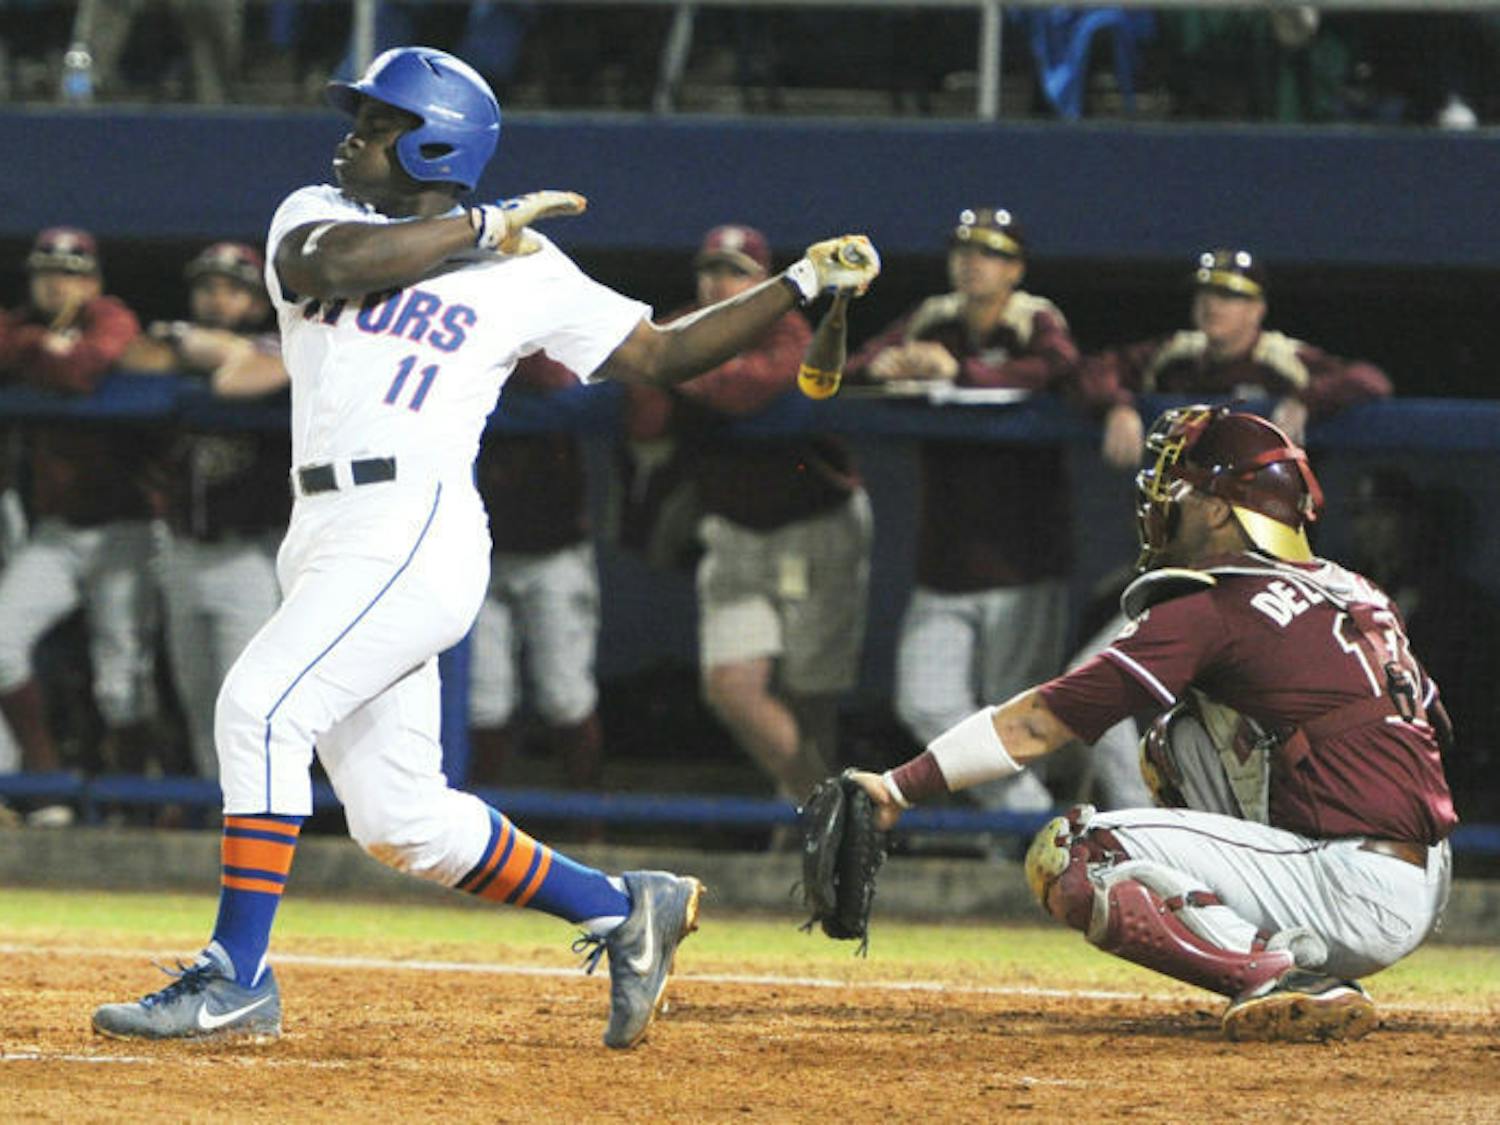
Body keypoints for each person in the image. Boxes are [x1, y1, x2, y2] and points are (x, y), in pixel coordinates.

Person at [90, 45, 880, 1048]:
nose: (354, 136)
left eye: (378, 125)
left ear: (430, 142)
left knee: (259, 708)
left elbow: (662, 353)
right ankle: (618, 905)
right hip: (320, 531)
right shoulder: (314, 213)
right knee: (398, 818)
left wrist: (799, 282)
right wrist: (481, 226)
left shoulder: (525, 269)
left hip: (411, 526)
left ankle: (237, 972)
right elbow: (317, 269)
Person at [848, 404, 1455, 1043]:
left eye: (1183, 487)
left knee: (1077, 851)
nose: (1163, 500)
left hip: (1349, 884)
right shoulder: (1356, 590)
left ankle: (1284, 975)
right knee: (1176, 743)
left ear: (1223, 509)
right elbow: (1434, 728)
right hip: (1418, 871)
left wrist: (896, 789)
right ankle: (1301, 949)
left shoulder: (1217, 601)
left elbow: (1038, 724)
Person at [847, 206, 1092, 818]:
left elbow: (1060, 369)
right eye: (964, 250)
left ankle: (1014, 836)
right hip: (947, 557)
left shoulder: (1034, 319)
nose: (972, 263)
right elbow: (856, 367)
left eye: (989, 252)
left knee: (1016, 710)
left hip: (1024, 555)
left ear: (1015, 267)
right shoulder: (934, 317)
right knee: (924, 699)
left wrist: (963, 371)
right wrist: (884, 366)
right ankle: (1031, 819)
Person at [624, 224, 872, 817]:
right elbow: (644, 416)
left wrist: (682, 373)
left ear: (763, 280)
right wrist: (671, 372)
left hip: (817, 521)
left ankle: (810, 831)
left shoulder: (785, 323)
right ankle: (831, 816)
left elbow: (754, 387)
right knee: (732, 687)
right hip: (734, 528)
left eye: (736, 270)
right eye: (711, 269)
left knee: (811, 697)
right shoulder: (680, 323)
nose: (720, 282)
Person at [0, 226, 162, 828]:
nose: (55, 283)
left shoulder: (113, 316)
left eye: (69, 272)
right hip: (58, 534)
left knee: (123, 682)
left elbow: (83, 367)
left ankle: (134, 806)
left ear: (92, 281)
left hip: (129, 531)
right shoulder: (21, 322)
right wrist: (47, 348)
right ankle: (47, 789)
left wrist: (39, 355)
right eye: (45, 271)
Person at [120, 241, 291, 784]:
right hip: (184, 550)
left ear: (257, 300)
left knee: (252, 700)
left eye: (233, 289)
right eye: (208, 287)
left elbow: (244, 378)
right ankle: (215, 818)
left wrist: (202, 347)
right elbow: (134, 358)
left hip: (252, 554)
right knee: (198, 699)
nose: (218, 298)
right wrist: (183, 341)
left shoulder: (285, 341)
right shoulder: (174, 342)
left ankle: (269, 817)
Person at [1088, 248, 1392, 471]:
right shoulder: (1177, 353)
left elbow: (1370, 379)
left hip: (1263, 506)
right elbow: (1095, 370)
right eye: (1204, 295)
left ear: (1257, 308)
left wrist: (1305, 400)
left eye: (1228, 296)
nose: (1212, 306)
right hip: (1185, 501)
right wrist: (1117, 406)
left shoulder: (1281, 358)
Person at [467, 351, 605, 806]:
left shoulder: (550, 331)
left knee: (566, 697)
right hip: (479, 555)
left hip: (554, 551)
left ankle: (591, 829)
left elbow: (559, 373)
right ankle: (478, 833)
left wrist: (507, 348)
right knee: (483, 702)